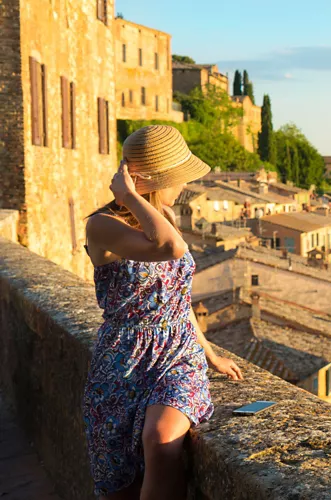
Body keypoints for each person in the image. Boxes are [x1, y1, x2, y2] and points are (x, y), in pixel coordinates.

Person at [82, 125, 244, 500]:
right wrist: (129, 196)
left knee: (160, 438)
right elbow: (170, 249)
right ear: (152, 180)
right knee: (121, 482)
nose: (183, 186)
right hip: (122, 360)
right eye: (178, 178)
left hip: (177, 355)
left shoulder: (166, 215)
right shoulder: (103, 225)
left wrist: (209, 353)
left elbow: (176, 298)